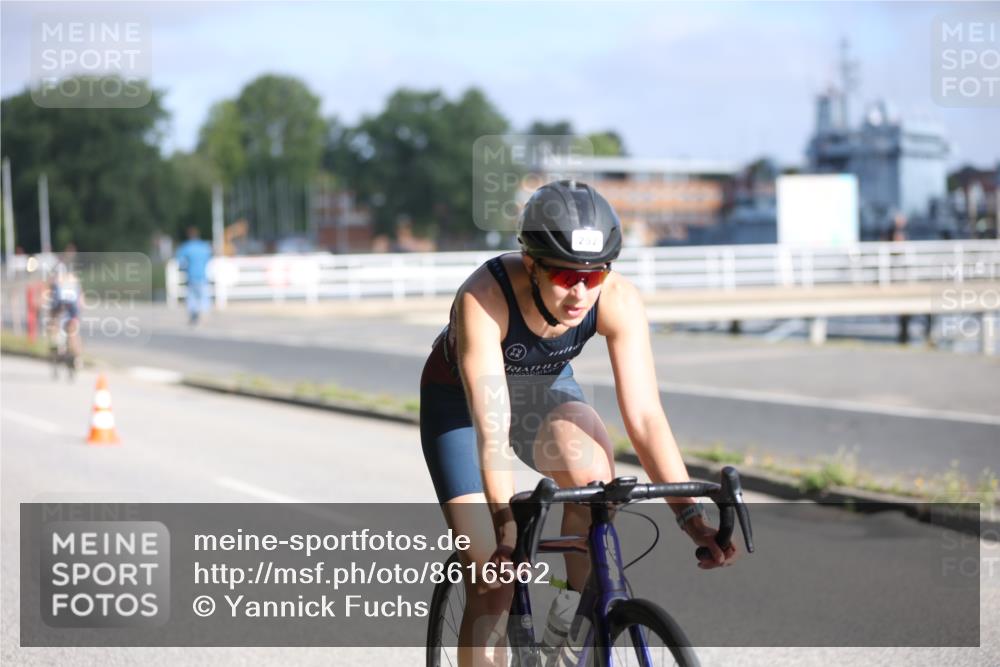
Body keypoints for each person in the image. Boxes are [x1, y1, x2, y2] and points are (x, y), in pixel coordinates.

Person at [420, 180, 738, 665]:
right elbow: (492, 431)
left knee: (594, 483)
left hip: (542, 391)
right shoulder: (484, 298)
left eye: (594, 277)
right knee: (491, 580)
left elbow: (646, 419)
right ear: (532, 265)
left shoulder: (617, 299)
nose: (581, 293)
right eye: (567, 278)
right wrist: (505, 536)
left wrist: (689, 514)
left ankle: (570, 627)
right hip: (461, 409)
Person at [46, 244, 82, 364]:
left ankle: (56, 342)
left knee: (54, 318)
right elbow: (78, 288)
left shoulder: (58, 265)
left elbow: (52, 283)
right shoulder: (73, 268)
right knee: (73, 327)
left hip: (62, 300)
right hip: (71, 301)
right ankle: (76, 357)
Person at [175, 226, 213, 325]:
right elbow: (209, 259)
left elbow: (180, 261)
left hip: (191, 276)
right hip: (203, 276)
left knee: (192, 297)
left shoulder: (186, 247)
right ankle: (204, 317)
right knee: (204, 297)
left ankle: (193, 316)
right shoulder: (204, 246)